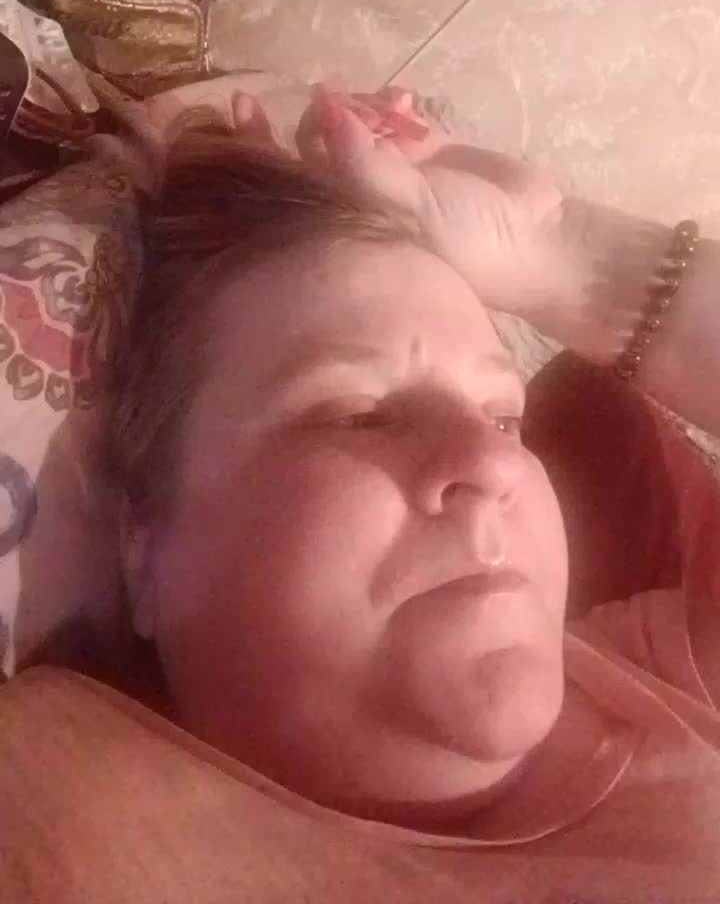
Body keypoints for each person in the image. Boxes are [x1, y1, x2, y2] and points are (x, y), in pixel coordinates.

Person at [100, 83, 720, 869]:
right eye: (357, 414)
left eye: (505, 416)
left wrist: (571, 256)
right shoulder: (56, 817)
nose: (496, 463)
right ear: (141, 543)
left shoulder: (659, 688)